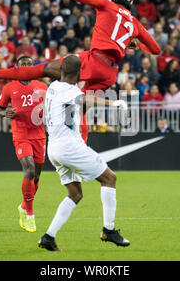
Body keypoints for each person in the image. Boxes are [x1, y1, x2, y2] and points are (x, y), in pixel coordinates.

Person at [0, 0, 160, 94]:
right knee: (83, 108)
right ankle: (80, 146)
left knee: (43, 69)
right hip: (110, 73)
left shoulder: (107, 5)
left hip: (94, 61)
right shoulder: (135, 23)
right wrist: (134, 44)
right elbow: (155, 49)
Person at [38, 55, 130, 251]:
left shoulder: (52, 87)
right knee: (109, 178)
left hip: (53, 148)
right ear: (79, 73)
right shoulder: (71, 91)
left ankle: (48, 237)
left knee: (75, 194)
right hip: (70, 147)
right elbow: (85, 98)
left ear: (61, 70)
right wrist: (112, 104)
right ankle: (109, 230)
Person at [0, 56, 48, 232]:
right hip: (21, 134)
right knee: (29, 170)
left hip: (39, 135)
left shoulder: (42, 87)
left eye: (29, 64)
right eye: (22, 64)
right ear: (16, 67)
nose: (26, 66)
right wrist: (6, 113)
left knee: (37, 177)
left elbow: (48, 108)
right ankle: (30, 215)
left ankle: (24, 206)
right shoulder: (9, 87)